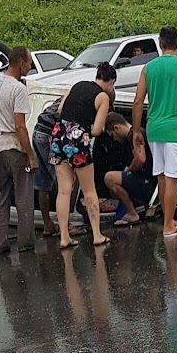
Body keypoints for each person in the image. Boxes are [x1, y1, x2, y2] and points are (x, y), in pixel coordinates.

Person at [132, 26, 177, 239]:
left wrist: (136, 130)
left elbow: (137, 101)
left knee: (162, 176)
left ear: (160, 45)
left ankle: (168, 220)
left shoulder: (148, 68)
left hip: (154, 129)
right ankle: (168, 226)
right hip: (174, 129)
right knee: (172, 178)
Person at [50, 62, 115, 248]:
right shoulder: (103, 97)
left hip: (58, 134)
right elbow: (95, 131)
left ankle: (64, 237)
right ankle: (97, 235)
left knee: (64, 190)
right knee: (89, 189)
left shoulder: (77, 85)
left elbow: (60, 109)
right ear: (111, 81)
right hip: (77, 138)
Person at [0, 46, 37, 255]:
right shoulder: (18, 89)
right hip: (14, 148)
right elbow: (19, 126)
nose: (30, 67)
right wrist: (31, 156)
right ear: (21, 62)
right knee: (23, 197)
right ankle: (25, 243)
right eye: (29, 63)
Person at [32, 96, 86, 237]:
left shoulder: (69, 96)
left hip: (38, 132)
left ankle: (47, 224)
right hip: (49, 134)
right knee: (63, 182)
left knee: (43, 181)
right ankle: (66, 226)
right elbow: (71, 133)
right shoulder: (83, 104)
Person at [104, 112, 155, 226]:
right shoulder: (135, 134)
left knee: (109, 178)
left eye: (113, 135)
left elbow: (140, 159)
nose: (115, 139)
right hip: (148, 181)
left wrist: (129, 170)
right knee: (115, 188)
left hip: (147, 182)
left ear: (116, 127)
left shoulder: (134, 135)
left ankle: (132, 213)